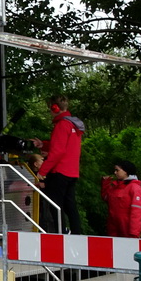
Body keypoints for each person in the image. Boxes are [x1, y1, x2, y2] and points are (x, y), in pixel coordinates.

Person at [34, 95, 85, 234]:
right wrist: (43, 144)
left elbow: (58, 152)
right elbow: (63, 146)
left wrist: (43, 171)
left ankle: (60, 235)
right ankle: (76, 235)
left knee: (56, 206)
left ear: (55, 108)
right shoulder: (73, 125)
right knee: (70, 206)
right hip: (72, 172)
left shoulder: (62, 125)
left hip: (60, 172)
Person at [101, 159, 141, 238]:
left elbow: (137, 212)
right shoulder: (116, 187)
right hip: (113, 228)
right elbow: (105, 197)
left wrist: (134, 233)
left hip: (127, 229)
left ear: (125, 171)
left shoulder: (135, 188)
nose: (115, 173)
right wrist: (105, 183)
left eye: (117, 170)